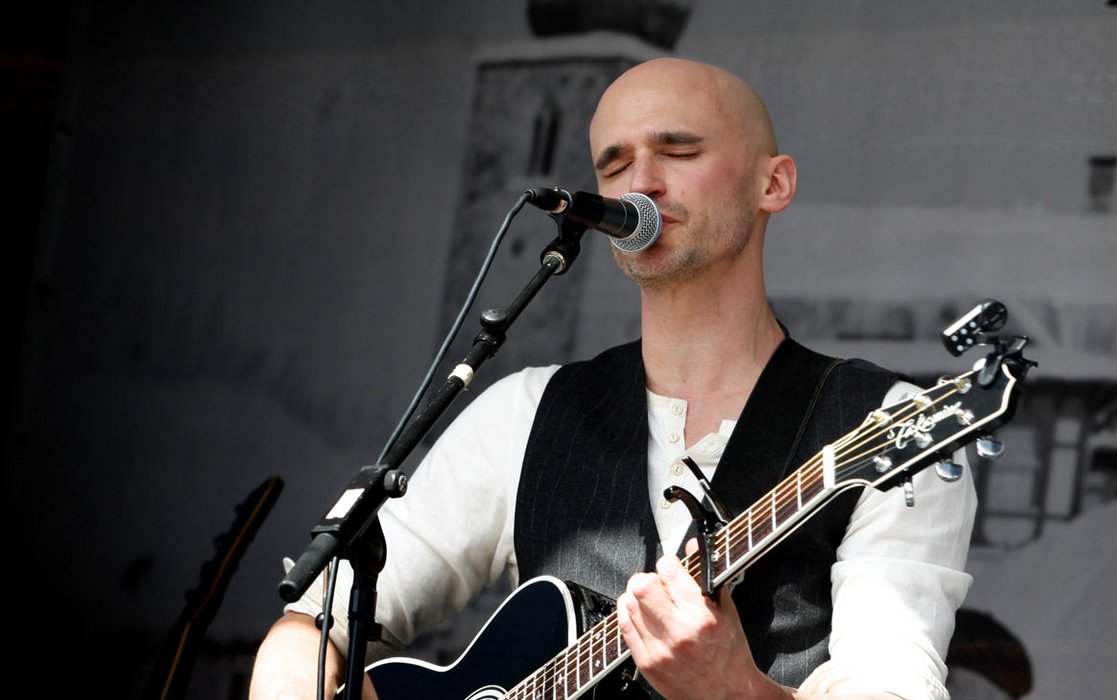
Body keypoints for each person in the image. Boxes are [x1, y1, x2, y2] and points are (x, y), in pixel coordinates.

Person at [249, 57, 978, 700]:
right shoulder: (526, 412)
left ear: (773, 184)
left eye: (678, 149)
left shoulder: (888, 421)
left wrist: (735, 693)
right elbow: (316, 615)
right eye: (613, 163)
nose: (641, 183)